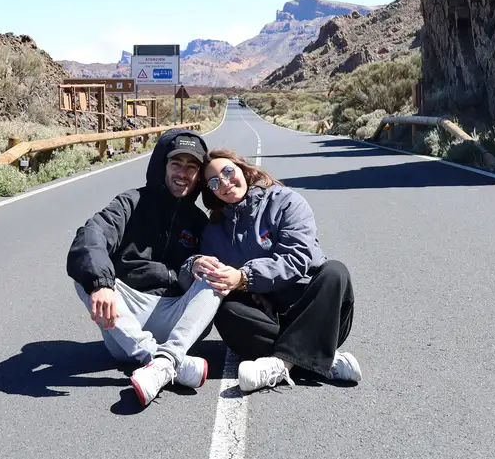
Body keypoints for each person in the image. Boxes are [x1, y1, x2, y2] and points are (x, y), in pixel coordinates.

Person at [182, 149, 361, 393]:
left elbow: (298, 257)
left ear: (242, 169)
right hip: (268, 321)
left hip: (315, 310)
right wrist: (196, 265)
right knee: (226, 309)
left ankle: (282, 363)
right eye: (214, 182)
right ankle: (319, 358)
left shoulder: (286, 201)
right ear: (210, 192)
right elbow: (209, 275)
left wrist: (245, 278)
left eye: (227, 172)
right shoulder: (214, 231)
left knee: (335, 272)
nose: (224, 183)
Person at [66, 129, 221, 406]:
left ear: (199, 175)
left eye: (191, 167)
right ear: (163, 166)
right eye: (176, 164)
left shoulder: (199, 221)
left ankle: (163, 361)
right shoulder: (131, 202)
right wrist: (101, 284)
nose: (182, 174)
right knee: (86, 276)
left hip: (175, 318)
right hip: (127, 325)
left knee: (216, 273)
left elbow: (210, 264)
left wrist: (197, 265)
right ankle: (162, 359)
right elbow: (92, 234)